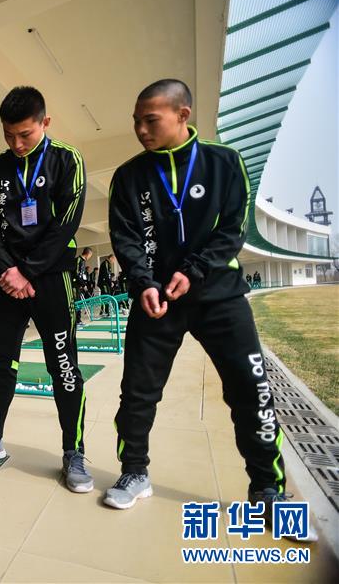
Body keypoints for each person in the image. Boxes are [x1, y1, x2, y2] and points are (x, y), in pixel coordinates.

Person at [105, 79, 303, 529]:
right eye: (136, 121)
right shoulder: (128, 176)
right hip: (156, 300)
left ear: (183, 115)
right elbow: (126, 238)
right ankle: (134, 472)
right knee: (136, 394)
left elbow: (234, 229)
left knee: (250, 391)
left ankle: (266, 488)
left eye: (150, 120)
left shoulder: (224, 162)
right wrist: (143, 284)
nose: (140, 129)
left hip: (219, 297)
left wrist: (193, 270)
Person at [0, 86, 92, 495]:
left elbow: (66, 223)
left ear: (45, 123)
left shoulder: (67, 160)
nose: (16, 144)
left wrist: (28, 271)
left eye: (26, 135)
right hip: (6, 280)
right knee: (2, 363)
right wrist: (9, 270)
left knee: (62, 366)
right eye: (9, 135)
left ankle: (74, 451)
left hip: (51, 278)